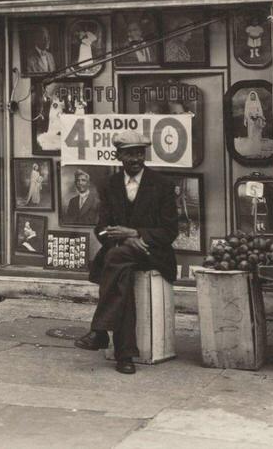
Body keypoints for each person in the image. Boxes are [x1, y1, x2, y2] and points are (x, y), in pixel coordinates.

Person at [73, 130, 178, 374]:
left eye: (139, 153)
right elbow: (101, 228)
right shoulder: (109, 185)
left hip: (153, 253)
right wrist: (123, 240)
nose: (135, 159)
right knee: (122, 273)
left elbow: (169, 232)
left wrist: (133, 234)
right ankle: (125, 356)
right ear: (118, 155)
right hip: (122, 253)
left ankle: (100, 331)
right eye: (129, 153)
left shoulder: (162, 185)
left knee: (114, 260)